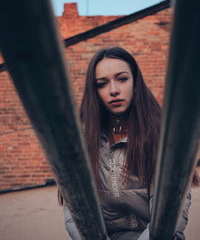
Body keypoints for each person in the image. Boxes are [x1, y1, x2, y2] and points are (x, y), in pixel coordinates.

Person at [60, 46, 195, 240]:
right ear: (94, 90)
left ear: (135, 82)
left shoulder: (164, 137)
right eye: (102, 83)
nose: (113, 90)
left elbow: (172, 214)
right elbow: (75, 213)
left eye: (122, 79)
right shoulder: (79, 143)